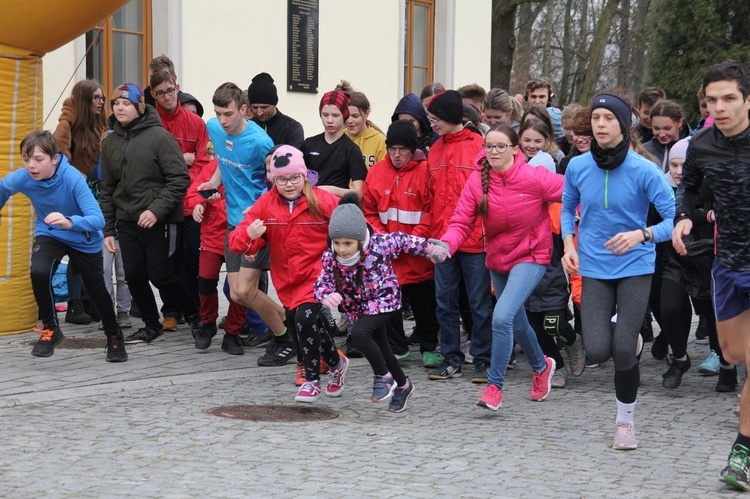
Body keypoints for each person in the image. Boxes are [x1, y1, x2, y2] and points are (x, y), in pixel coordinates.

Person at [562, 93, 675, 450]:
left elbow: (674, 221)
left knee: (624, 350)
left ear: (624, 124)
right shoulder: (578, 166)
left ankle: (624, 422)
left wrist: (642, 234)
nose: (601, 124)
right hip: (594, 266)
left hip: (635, 265)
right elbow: (566, 209)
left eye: (609, 118)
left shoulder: (645, 169)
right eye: (596, 118)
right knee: (596, 351)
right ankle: (625, 330)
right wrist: (568, 245)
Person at [439, 124, 562, 409]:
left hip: (532, 254)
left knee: (501, 317)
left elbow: (574, 193)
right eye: (489, 146)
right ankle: (542, 366)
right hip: (498, 258)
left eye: (500, 146)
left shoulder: (534, 177)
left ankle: (494, 388)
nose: (493, 151)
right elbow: (460, 222)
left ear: (515, 149)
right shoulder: (477, 182)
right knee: (516, 322)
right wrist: (446, 246)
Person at [671, 59, 750, 491]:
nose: (719, 107)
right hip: (728, 264)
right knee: (734, 355)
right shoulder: (701, 144)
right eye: (712, 100)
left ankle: (741, 455)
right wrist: (684, 216)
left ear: (747, 100)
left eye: (729, 99)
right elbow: (690, 187)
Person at [229, 145, 349, 402]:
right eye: (282, 179)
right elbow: (238, 243)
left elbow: (352, 225)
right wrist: (250, 237)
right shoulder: (266, 204)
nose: (289, 184)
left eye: (295, 177)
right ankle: (337, 364)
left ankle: (312, 380)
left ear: (304, 175)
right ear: (273, 178)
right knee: (308, 325)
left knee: (305, 320)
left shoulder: (322, 200)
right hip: (286, 279)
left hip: (318, 277)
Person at [314, 195, 450, 412]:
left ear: (360, 239)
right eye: (337, 243)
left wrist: (430, 249)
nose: (342, 249)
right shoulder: (330, 257)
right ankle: (403, 385)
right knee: (382, 347)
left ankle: (383, 377)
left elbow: (405, 241)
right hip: (358, 306)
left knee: (359, 334)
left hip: (384, 299)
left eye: (348, 243)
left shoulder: (379, 245)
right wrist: (327, 294)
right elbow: (322, 282)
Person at [0, 131, 127, 361]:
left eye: (38, 159)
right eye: (26, 159)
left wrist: (70, 221)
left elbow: (97, 219)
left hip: (83, 237)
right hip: (50, 232)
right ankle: (51, 329)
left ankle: (114, 335)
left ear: (54, 159)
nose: (31, 165)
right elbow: (3, 188)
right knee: (38, 271)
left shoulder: (72, 178)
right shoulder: (24, 177)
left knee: (96, 290)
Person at [100, 83, 200, 344]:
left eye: (126, 103)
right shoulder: (110, 142)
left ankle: (196, 317)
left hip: (160, 220)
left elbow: (179, 179)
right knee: (133, 275)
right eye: (116, 103)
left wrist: (155, 210)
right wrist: (108, 230)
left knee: (162, 275)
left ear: (139, 107)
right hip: (127, 221)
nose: (119, 107)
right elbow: (108, 188)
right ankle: (150, 325)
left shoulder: (160, 137)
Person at [197, 82, 290, 361]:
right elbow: (224, 164)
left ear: (244, 110)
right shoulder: (212, 127)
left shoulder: (261, 142)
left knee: (246, 290)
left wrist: (261, 209)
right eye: (218, 113)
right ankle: (291, 318)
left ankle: (284, 336)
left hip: (257, 224)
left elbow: (276, 181)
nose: (222, 120)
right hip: (232, 222)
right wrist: (212, 184)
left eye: (228, 113)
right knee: (237, 294)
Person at [424, 90, 493, 383]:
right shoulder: (435, 148)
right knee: (445, 301)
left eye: (435, 119)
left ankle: (483, 359)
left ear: (450, 117)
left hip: (476, 239)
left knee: (478, 302)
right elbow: (431, 195)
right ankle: (451, 357)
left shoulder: (480, 146)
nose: (431, 124)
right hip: (443, 239)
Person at [362, 120, 441, 368]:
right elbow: (369, 211)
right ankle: (398, 349)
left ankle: (429, 348)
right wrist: (384, 239)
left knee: (424, 305)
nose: (397, 155)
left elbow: (431, 211)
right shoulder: (376, 174)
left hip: (418, 255)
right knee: (391, 307)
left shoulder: (426, 172)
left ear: (413, 148)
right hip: (389, 256)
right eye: (392, 149)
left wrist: (410, 240)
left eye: (402, 150)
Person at [150, 69, 210, 331]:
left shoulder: (196, 124)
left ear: (178, 87)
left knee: (191, 257)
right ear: (153, 95)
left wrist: (189, 188)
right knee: (166, 260)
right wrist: (179, 159)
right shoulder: (150, 124)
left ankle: (193, 307)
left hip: (191, 200)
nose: (167, 97)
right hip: (162, 201)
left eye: (170, 90)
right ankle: (171, 310)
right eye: (161, 93)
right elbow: (150, 164)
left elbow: (204, 163)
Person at [53, 79, 114, 326]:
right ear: (84, 99)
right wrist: (73, 173)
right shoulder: (67, 124)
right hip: (75, 193)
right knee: (78, 247)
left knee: (92, 248)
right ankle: (74, 303)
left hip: (96, 192)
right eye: (96, 98)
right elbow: (57, 156)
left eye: (102, 97)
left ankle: (89, 300)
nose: (101, 102)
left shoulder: (100, 124)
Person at [301, 90, 368, 198]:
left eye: (335, 115)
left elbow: (359, 193)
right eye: (325, 115)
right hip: (309, 205)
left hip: (337, 208)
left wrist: (331, 190)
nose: (330, 120)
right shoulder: (308, 144)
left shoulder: (351, 149)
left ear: (344, 116)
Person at [337, 81, 387, 169]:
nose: (349, 121)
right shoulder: (338, 138)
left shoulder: (380, 141)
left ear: (367, 113)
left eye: (355, 116)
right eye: (346, 116)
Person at [248, 72, 305, 148]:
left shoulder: (292, 128)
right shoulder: (248, 126)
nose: (259, 113)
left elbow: (294, 157)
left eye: (264, 107)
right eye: (254, 107)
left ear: (274, 104)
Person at [642, 100, 691, 172]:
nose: (662, 134)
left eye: (667, 128)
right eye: (656, 128)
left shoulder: (693, 147)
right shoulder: (644, 151)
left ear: (680, 122)